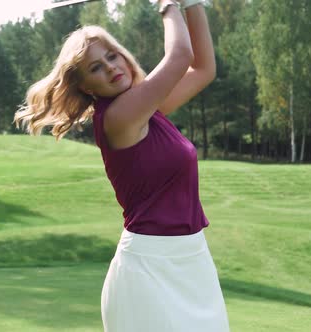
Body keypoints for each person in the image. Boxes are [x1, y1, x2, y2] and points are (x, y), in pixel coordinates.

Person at [14, 0, 229, 331]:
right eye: (96, 68)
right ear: (86, 87)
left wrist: (192, 4)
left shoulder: (147, 110)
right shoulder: (118, 117)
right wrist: (167, 5)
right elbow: (180, 56)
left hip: (193, 260)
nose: (110, 67)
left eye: (111, 56)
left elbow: (203, 69)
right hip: (149, 268)